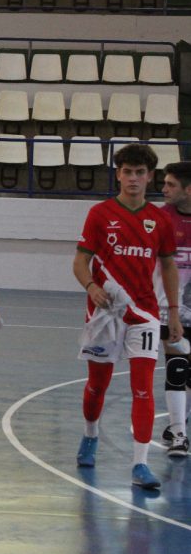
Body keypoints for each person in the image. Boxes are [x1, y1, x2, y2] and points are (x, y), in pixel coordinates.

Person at [74, 143, 181, 489]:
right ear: (118, 174)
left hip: (145, 313)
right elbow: (80, 260)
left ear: (150, 177)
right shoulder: (100, 214)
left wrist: (174, 313)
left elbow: (168, 265)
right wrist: (91, 286)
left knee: (143, 389)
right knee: (97, 384)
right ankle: (90, 434)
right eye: (127, 172)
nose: (133, 178)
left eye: (140, 173)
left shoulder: (160, 220)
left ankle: (140, 464)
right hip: (106, 313)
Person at [158, 161, 191, 458]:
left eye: (170, 185)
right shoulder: (160, 218)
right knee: (177, 366)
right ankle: (179, 434)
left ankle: (179, 421)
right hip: (171, 307)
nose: (163, 189)